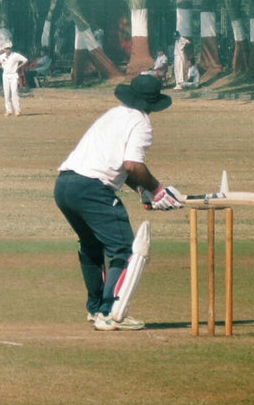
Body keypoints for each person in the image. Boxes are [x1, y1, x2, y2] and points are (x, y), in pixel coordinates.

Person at [53, 74, 185, 330]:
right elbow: (133, 165)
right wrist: (157, 190)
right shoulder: (142, 124)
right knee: (124, 249)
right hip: (92, 189)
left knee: (92, 246)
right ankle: (110, 311)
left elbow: (118, 165)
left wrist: (143, 192)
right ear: (153, 103)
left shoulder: (113, 114)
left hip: (65, 185)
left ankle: (95, 309)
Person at [0, 43, 28, 116]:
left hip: (14, 75)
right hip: (5, 76)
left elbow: (25, 60)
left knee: (14, 92)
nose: (8, 50)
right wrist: (2, 67)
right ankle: (8, 110)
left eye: (9, 48)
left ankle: (17, 110)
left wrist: (18, 67)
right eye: (6, 49)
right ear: (4, 49)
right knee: (6, 93)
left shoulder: (15, 55)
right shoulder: (2, 57)